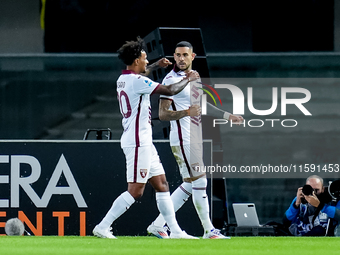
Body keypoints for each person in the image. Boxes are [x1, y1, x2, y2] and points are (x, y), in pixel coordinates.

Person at [93, 37, 200, 239]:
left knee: (161, 184)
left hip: (143, 141)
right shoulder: (137, 81)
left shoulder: (124, 78)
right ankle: (103, 226)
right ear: (135, 61)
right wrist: (189, 78)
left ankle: (174, 231)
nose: (146, 61)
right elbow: (169, 90)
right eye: (144, 58)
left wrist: (154, 66)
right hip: (137, 142)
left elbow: (142, 74)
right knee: (136, 191)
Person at [146, 41, 243, 239]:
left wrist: (228, 116)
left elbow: (202, 105)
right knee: (200, 181)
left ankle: (158, 224)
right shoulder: (171, 79)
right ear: (174, 56)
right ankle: (209, 230)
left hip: (193, 137)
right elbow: (163, 114)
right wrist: (186, 112)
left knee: (190, 184)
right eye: (177, 55)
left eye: (185, 55)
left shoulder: (194, 78)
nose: (181, 58)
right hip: (184, 138)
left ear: (193, 56)